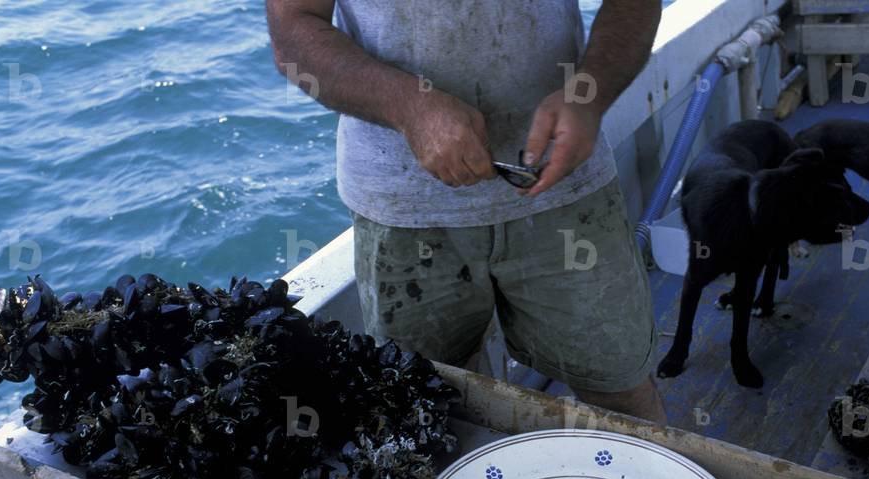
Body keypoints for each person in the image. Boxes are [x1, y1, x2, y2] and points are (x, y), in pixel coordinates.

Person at [267, 0, 666, 423]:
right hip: (402, 210)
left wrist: (589, 93)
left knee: (622, 396)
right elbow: (293, 29)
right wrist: (410, 107)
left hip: (567, 190)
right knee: (429, 406)